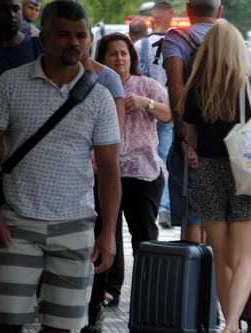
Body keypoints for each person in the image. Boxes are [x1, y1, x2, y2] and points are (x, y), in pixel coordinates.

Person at [0, 2, 121, 333]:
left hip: (76, 224)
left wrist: (107, 233)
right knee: (7, 314)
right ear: (43, 37)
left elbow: (109, 168)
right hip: (18, 219)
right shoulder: (11, 83)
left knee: (61, 321)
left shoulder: (100, 96)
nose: (74, 42)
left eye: (81, 35)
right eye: (64, 34)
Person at [178, 22, 251, 333]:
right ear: (239, 50)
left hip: (209, 173)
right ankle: (231, 327)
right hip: (248, 174)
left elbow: (190, 138)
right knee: (245, 258)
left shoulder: (195, 90)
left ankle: (230, 330)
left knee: (222, 258)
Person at [96, 32, 171, 311]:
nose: (119, 59)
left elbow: (170, 113)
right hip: (106, 171)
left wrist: (144, 103)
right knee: (107, 233)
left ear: (132, 58)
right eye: (113, 54)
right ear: (102, 59)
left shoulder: (146, 85)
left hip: (144, 171)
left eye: (124, 53)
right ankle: (108, 291)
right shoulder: (96, 87)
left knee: (144, 235)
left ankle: (148, 291)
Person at [0, 0, 44, 292]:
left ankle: (35, 291)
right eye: (4, 9)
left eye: (16, 8)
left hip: (34, 153)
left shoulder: (37, 50)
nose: (12, 15)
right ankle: (0, 289)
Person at [162, 0, 224, 243]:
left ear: (188, 10)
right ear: (219, 11)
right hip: (229, 146)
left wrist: (186, 141)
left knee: (193, 217)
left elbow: (177, 92)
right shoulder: (237, 43)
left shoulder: (176, 39)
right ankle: (213, 279)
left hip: (195, 141)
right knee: (220, 218)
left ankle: (192, 277)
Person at [78, 29, 126, 333]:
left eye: (80, 36)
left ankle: (95, 307)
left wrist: (97, 160)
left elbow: (115, 132)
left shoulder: (108, 79)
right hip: (61, 175)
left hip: (96, 173)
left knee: (99, 238)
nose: (73, 42)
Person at [135, 1, 174, 229]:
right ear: (170, 17)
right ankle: (166, 208)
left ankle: (158, 205)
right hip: (169, 109)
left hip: (149, 109)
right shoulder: (178, 42)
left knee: (153, 158)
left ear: (152, 17)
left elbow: (140, 75)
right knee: (166, 159)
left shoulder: (143, 45)